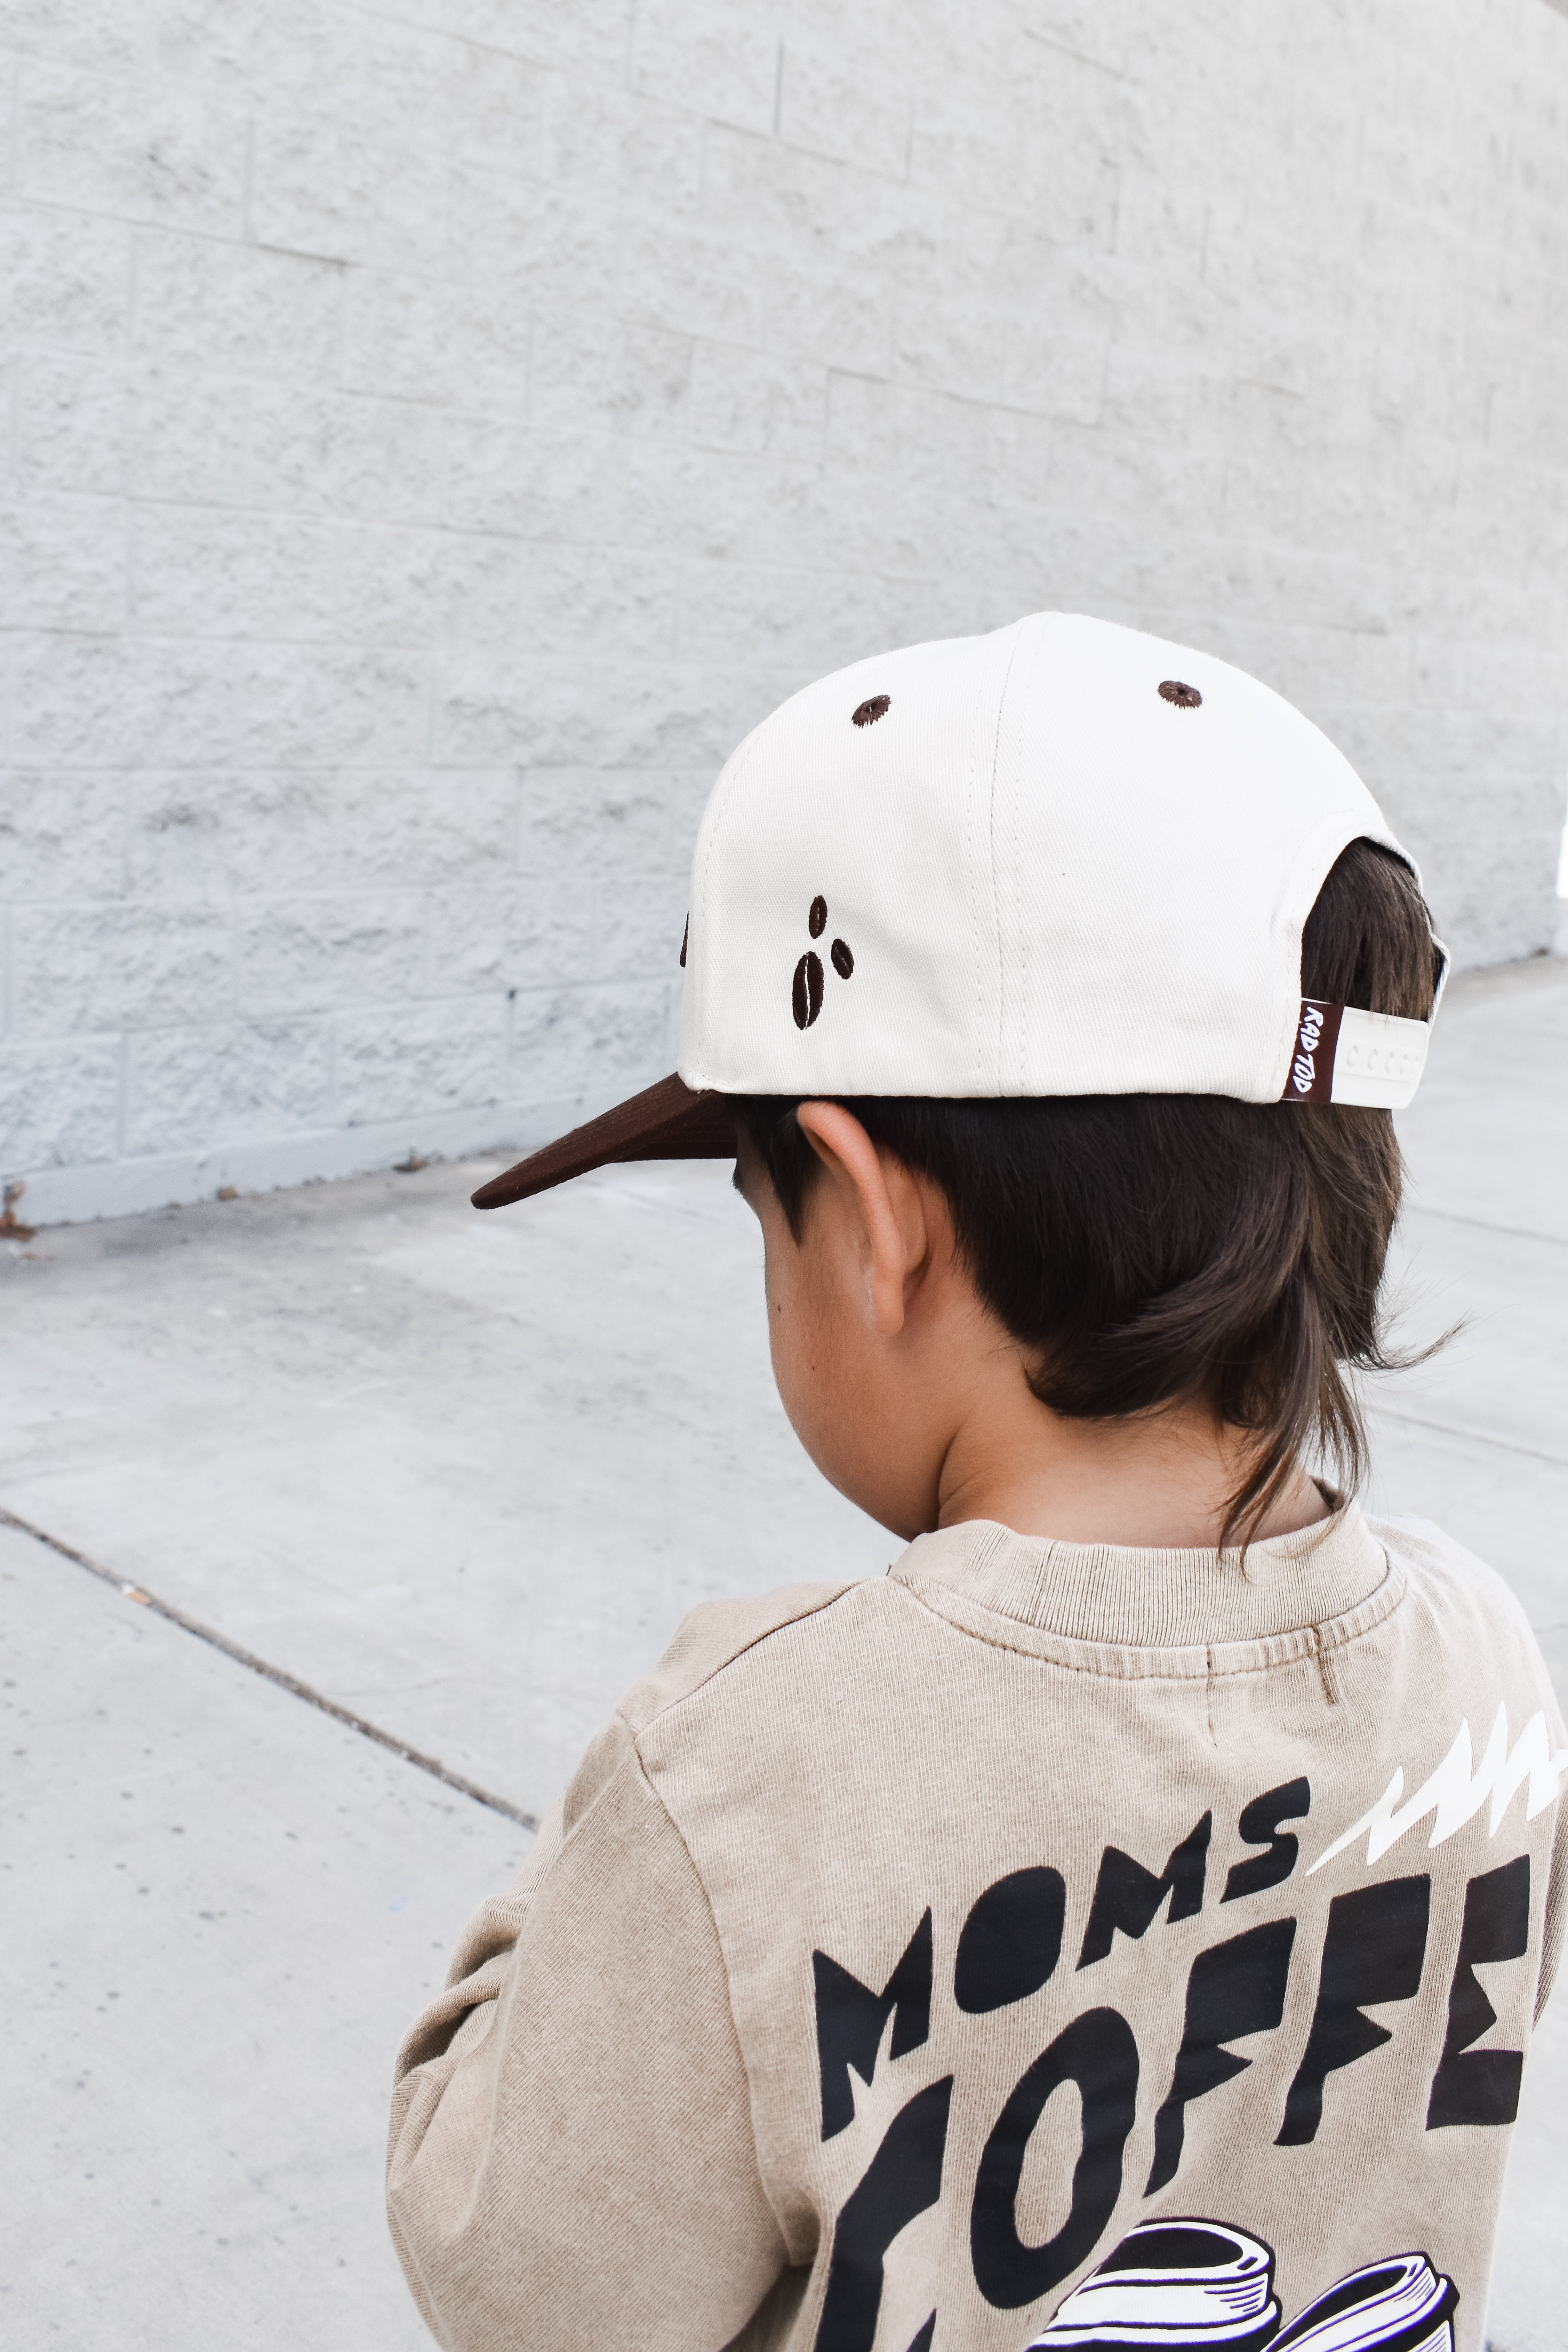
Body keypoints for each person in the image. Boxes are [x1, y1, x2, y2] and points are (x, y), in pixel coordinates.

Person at [385, 614, 1566, 2352]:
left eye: (755, 1210)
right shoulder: (1482, 1661)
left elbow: (520, 2281)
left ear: (870, 1221)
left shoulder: (748, 1774)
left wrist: (595, 1874)